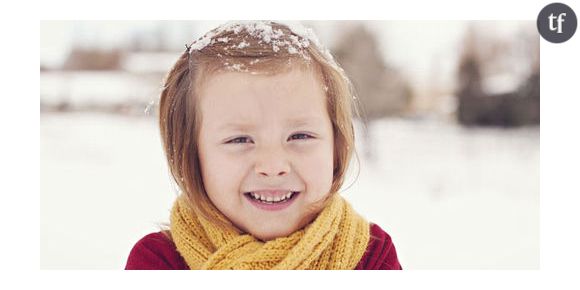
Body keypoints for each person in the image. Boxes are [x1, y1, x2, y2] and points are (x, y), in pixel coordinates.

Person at [125, 21, 402, 270]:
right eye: (239, 140)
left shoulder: (371, 257)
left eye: (300, 136)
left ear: (336, 146)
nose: (273, 167)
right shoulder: (159, 262)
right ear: (191, 155)